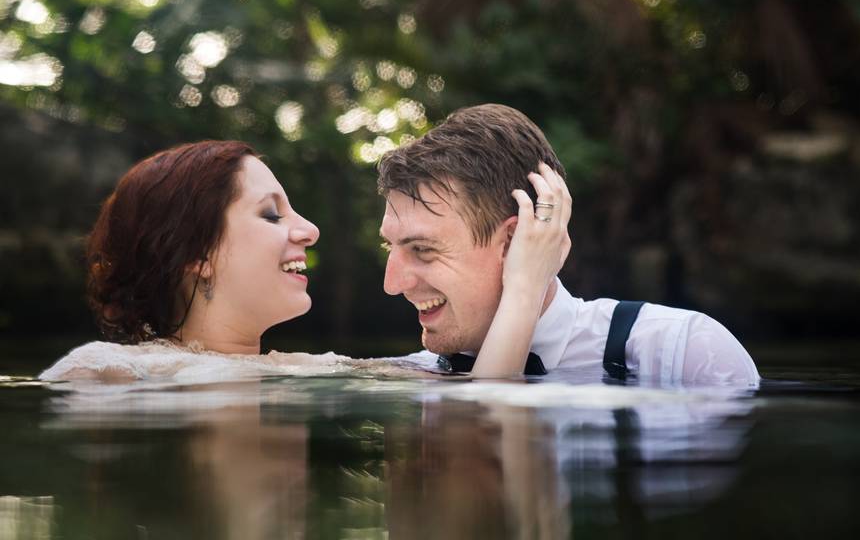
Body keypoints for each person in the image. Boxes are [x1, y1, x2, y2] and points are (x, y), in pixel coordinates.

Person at [40, 139, 569, 381]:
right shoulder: (105, 372)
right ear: (197, 254)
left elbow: (482, 416)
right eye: (272, 216)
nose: (310, 230)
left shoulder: (319, 370)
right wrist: (523, 290)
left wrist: (524, 284)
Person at [377, 104, 760, 386]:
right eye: (389, 248)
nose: (392, 284)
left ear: (515, 241)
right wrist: (522, 295)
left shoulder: (682, 353)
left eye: (423, 250)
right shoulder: (414, 372)